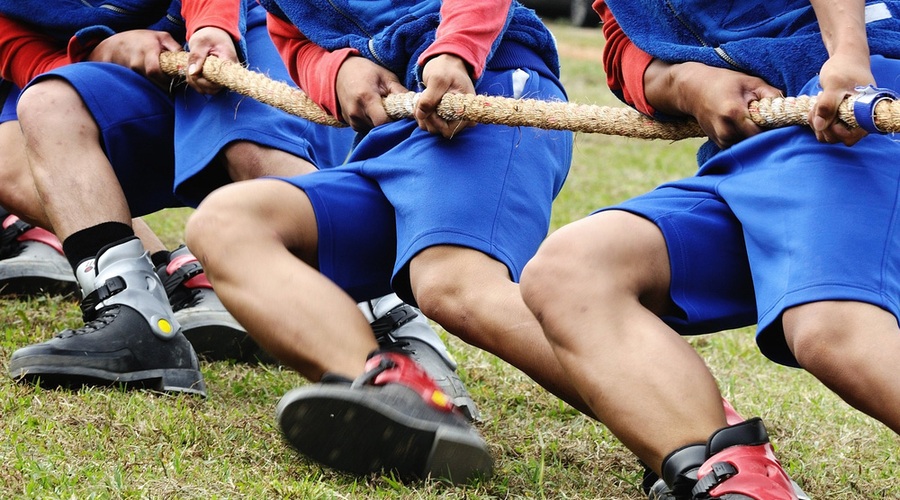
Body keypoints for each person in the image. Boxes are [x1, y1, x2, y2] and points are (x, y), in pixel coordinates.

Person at [1, 1, 476, 411]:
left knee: (252, 151)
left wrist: (211, 28)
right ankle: (134, 316)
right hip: (117, 60)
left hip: (234, 26)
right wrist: (93, 52)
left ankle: (390, 324)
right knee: (46, 108)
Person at [519, 0, 900, 498]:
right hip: (751, 155)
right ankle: (741, 484)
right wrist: (689, 83)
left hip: (848, 110)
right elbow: (624, 46)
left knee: (831, 328)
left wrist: (850, 54)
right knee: (571, 274)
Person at [184, 0, 574, 484]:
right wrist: (338, 68)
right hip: (390, 137)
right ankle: (397, 394)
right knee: (224, 224)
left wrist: (455, 49)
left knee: (452, 286)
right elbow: (292, 35)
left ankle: (683, 429)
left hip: (486, 94)